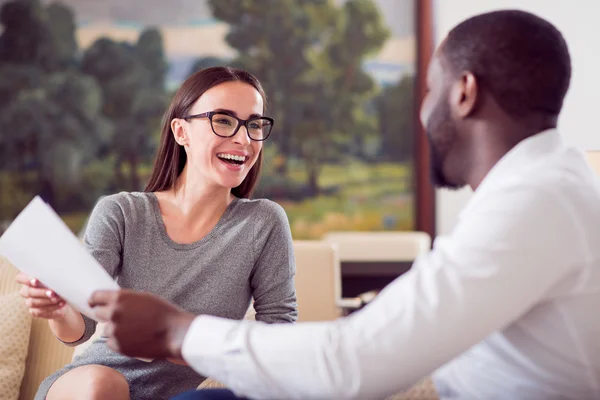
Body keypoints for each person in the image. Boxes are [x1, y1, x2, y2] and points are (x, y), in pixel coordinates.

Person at [89, 10, 600, 400]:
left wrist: (175, 330)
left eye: (429, 89)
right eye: (223, 121)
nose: (423, 110)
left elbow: (349, 365)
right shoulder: (545, 191)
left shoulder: (532, 204)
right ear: (181, 131)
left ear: (464, 92)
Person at [16, 66, 298, 399]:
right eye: (223, 120)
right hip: (87, 386)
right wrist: (59, 308)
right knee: (103, 384)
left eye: (254, 124)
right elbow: (80, 327)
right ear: (181, 132)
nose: (243, 139)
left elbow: (278, 335)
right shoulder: (121, 212)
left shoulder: (263, 223)